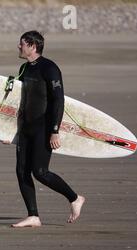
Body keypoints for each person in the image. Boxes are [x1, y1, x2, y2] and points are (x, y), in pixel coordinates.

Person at [10, 30, 85, 227]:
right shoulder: (24, 68)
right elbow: (21, 102)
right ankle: (33, 216)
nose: (19, 46)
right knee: (21, 171)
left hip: (43, 127)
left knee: (40, 171)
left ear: (33, 46)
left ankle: (75, 198)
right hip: (25, 127)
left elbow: (58, 101)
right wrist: (11, 131)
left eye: (22, 44)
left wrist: (54, 130)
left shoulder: (50, 68)